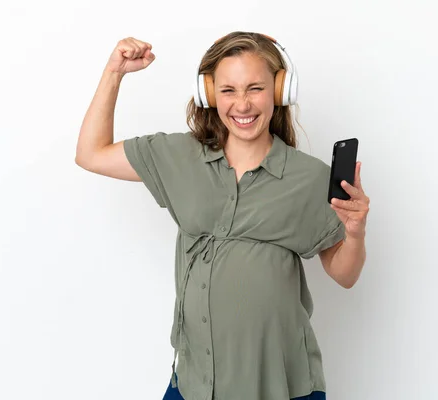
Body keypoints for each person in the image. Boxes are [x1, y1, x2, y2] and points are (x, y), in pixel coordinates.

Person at [75, 31, 370, 400]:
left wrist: (355, 233)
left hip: (280, 387)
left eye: (255, 88)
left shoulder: (309, 178)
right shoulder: (178, 156)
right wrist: (114, 72)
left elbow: (344, 275)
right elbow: (91, 153)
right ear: (209, 95)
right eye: (228, 90)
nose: (242, 105)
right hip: (196, 385)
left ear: (280, 91)